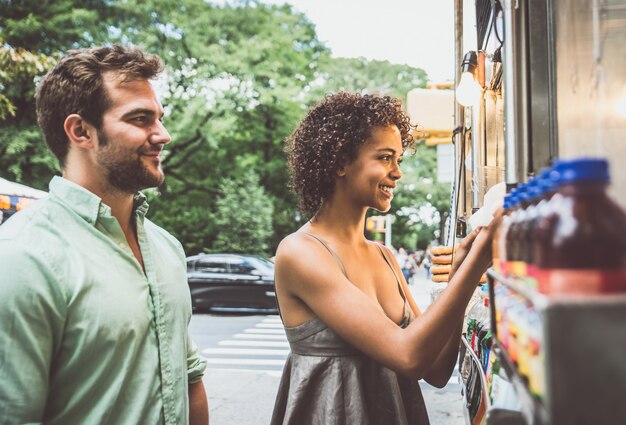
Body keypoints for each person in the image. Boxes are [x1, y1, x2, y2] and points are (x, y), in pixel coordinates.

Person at [0, 45, 208, 425]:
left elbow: (190, 377)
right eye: (141, 119)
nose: (163, 135)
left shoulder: (167, 247)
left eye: (159, 118)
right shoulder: (21, 257)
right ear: (81, 131)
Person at [270, 92, 498, 424]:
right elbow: (408, 357)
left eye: (399, 159)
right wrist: (475, 265)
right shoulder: (300, 252)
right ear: (340, 161)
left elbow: (435, 368)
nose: (397, 173)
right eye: (385, 157)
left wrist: (460, 271)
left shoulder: (385, 256)